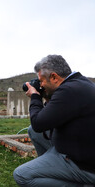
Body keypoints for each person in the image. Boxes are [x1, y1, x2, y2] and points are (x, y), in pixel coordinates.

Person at [13, 55, 95, 186]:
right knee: (33, 132)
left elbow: (39, 123)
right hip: (80, 147)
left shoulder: (68, 91)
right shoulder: (78, 84)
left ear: (54, 77)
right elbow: (47, 119)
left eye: (41, 81)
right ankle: (51, 172)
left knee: (21, 175)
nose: (40, 85)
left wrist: (35, 97)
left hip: (85, 165)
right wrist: (46, 95)